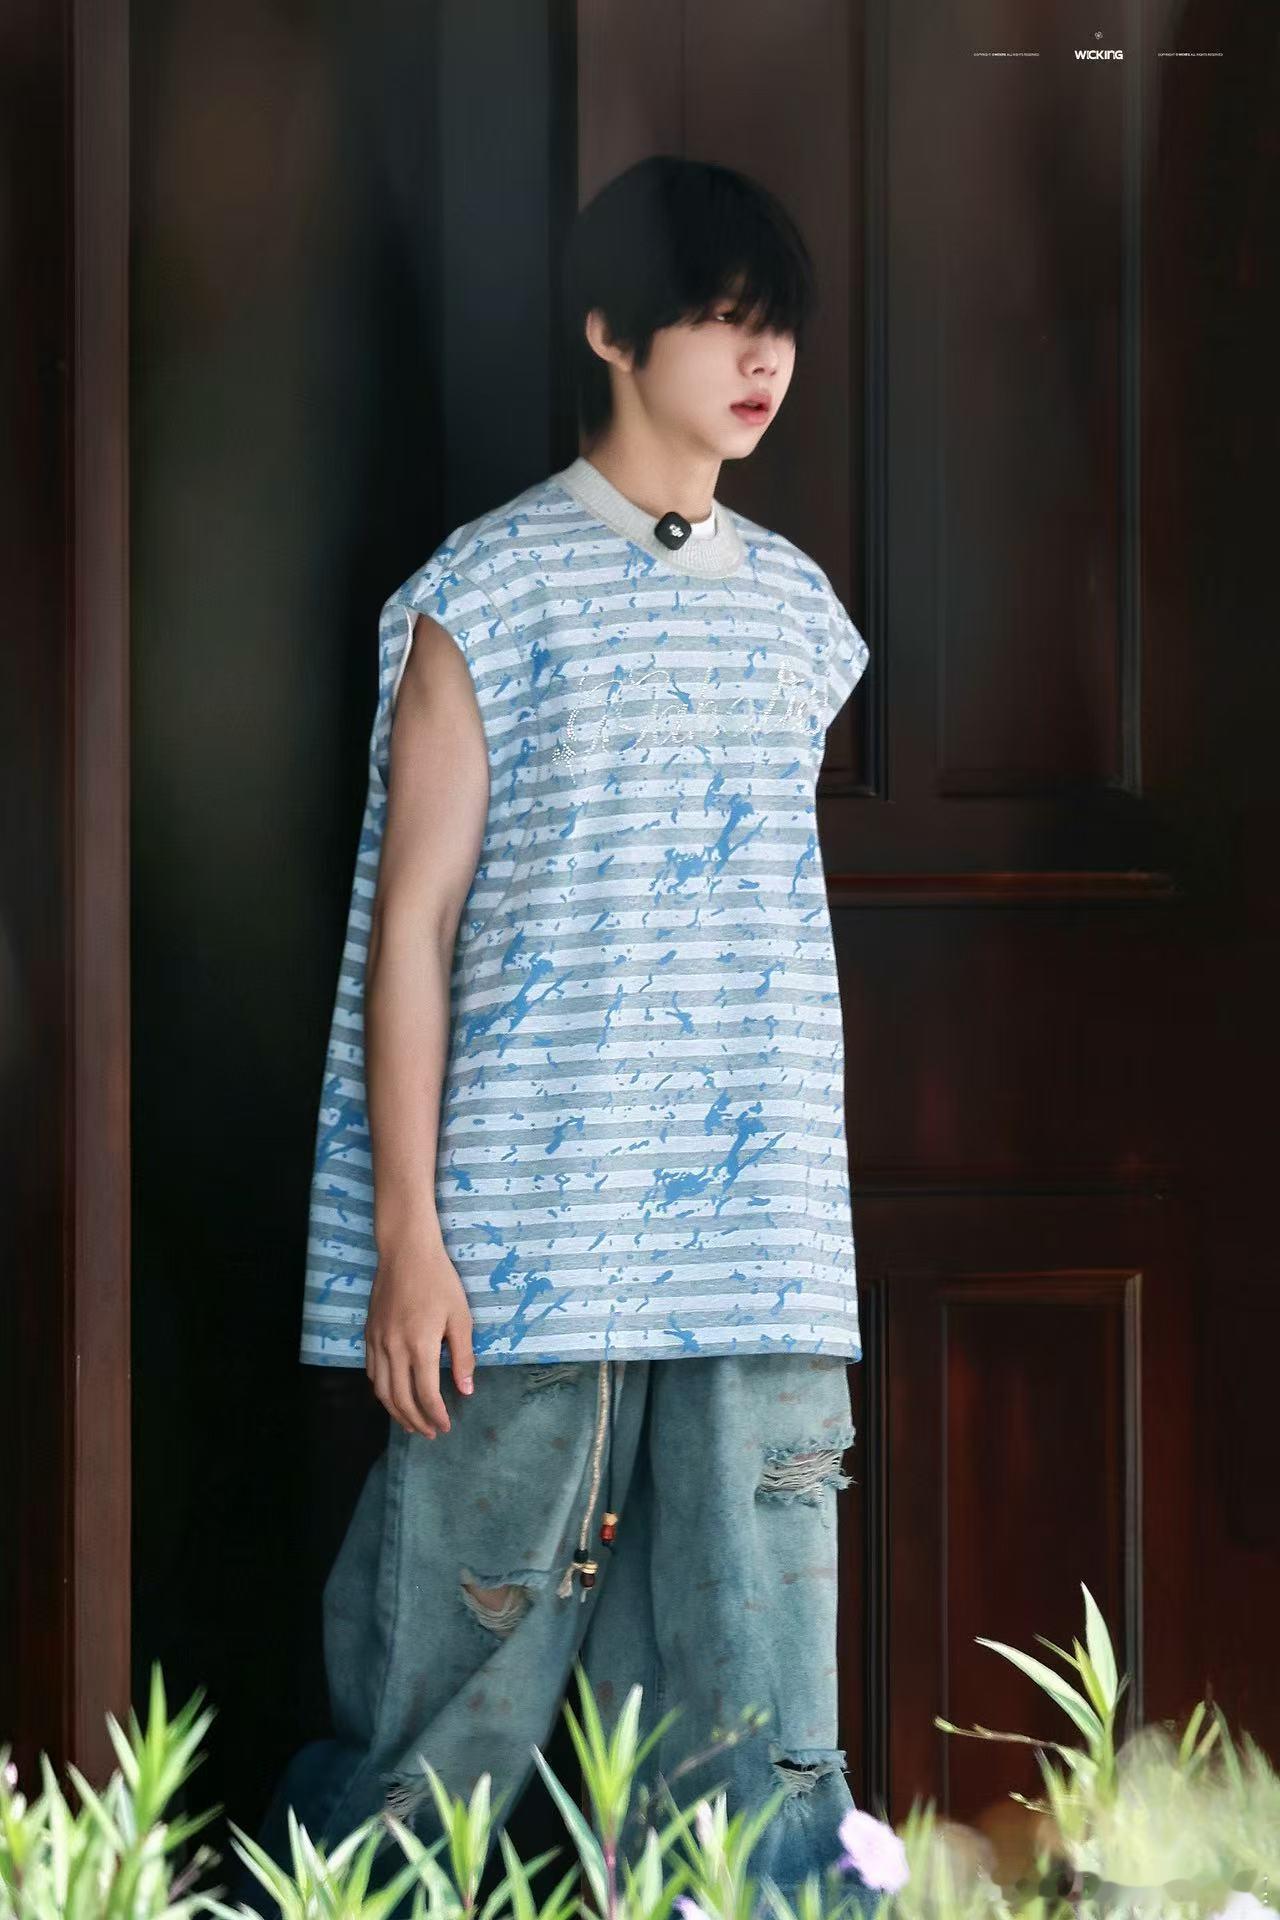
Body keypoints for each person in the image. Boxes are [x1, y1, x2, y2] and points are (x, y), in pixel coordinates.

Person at [237, 154, 873, 1911]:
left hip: (755, 1250)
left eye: (777, 328)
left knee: (760, 1751)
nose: (760, 362)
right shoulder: (489, 592)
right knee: (438, 1732)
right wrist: (408, 1237)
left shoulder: (801, 614)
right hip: (526, 1237)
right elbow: (415, 929)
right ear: (610, 332)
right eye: (721, 322)